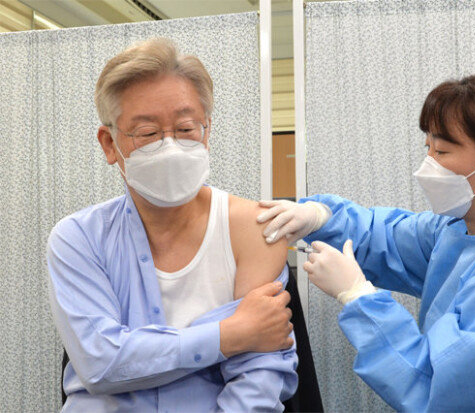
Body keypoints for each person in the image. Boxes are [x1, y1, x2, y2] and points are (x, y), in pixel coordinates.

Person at [257, 73, 475, 411]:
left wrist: (358, 297)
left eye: (442, 152)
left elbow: (434, 392)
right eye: (427, 147)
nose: (427, 165)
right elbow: (389, 238)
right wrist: (322, 216)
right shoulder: (465, 231)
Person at [47, 38, 298, 412]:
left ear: (207, 131)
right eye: (148, 133)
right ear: (109, 143)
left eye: (185, 128)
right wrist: (229, 333)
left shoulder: (254, 228)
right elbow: (101, 364)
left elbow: (259, 380)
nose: (169, 147)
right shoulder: (79, 238)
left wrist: (142, 350)